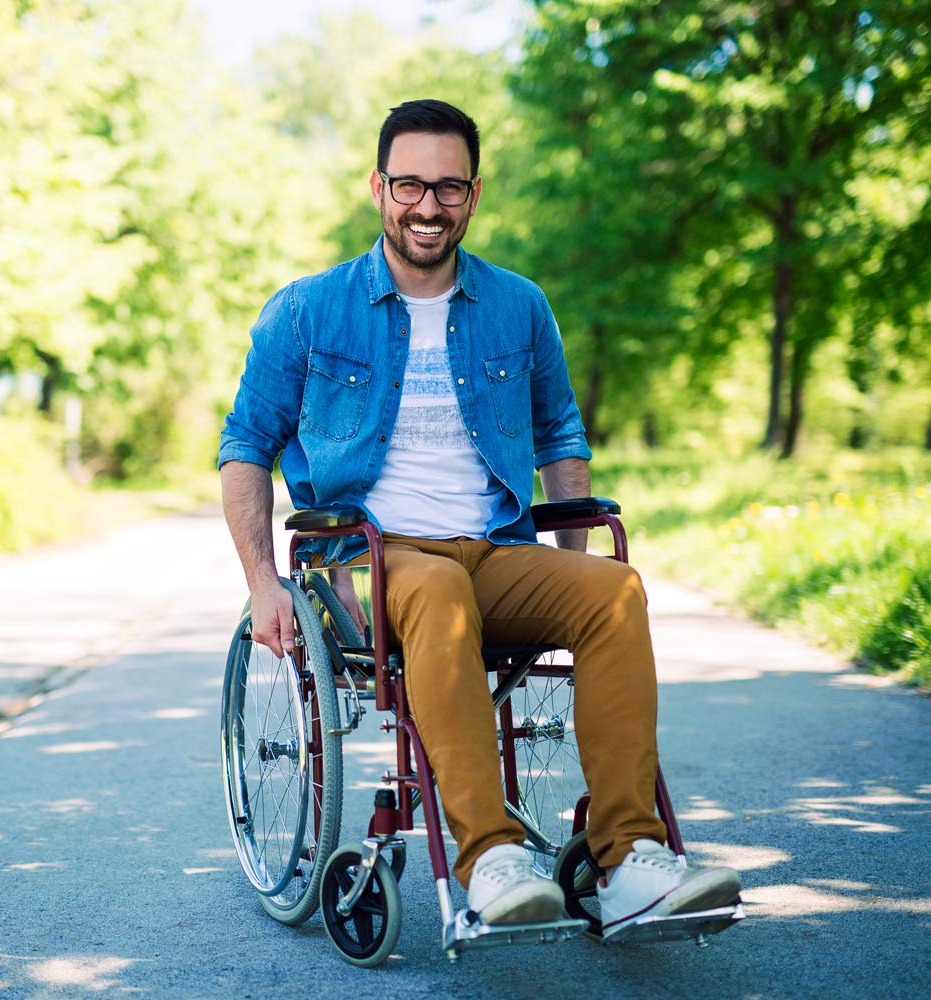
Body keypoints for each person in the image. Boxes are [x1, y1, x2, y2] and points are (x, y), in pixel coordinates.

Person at [218, 99, 741, 934]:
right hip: (364, 562)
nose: (429, 206)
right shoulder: (307, 310)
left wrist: (571, 563)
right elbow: (246, 445)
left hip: (491, 549)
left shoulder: (518, 306)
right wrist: (261, 582)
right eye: (411, 185)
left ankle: (628, 858)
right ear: (378, 187)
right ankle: (491, 857)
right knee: (433, 591)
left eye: (449, 187)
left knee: (614, 592)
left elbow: (561, 432)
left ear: (475, 192)